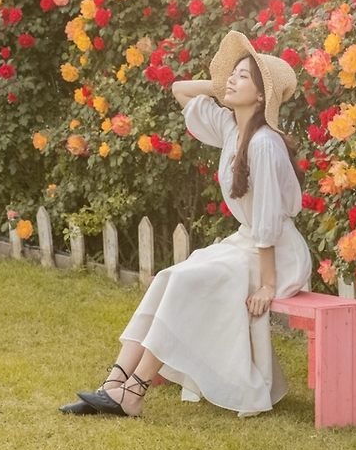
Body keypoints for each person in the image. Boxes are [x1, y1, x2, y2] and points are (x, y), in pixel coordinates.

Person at [60, 30, 312, 418]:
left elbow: (266, 223)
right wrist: (223, 83)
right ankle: (114, 382)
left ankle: (134, 392)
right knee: (168, 276)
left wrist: (268, 285)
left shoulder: (263, 143)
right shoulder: (232, 127)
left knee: (186, 280)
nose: (231, 79)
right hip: (248, 244)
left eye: (243, 76)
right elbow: (181, 90)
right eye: (234, 72)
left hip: (276, 256)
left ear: (262, 97)